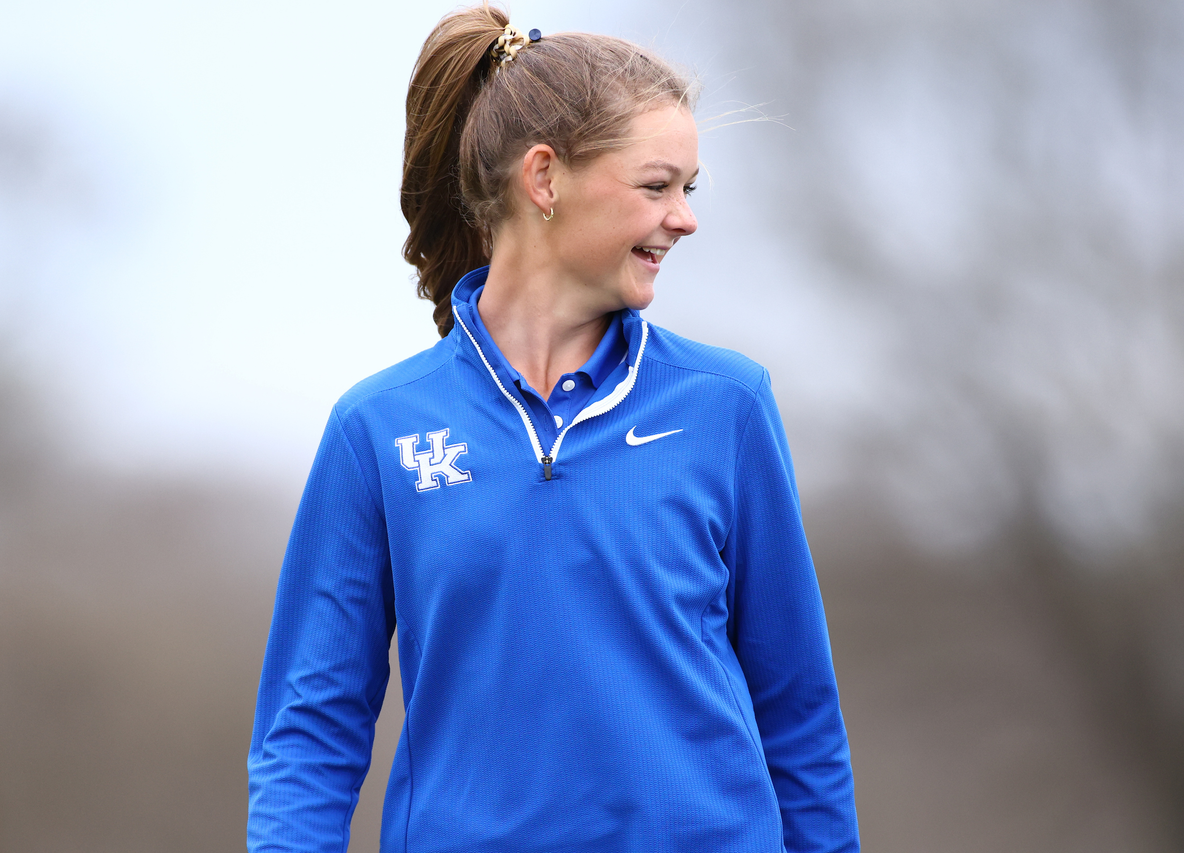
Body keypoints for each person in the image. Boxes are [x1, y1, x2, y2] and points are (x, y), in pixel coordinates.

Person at [247, 5, 859, 852]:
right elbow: (310, 730)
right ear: (544, 178)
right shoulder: (378, 429)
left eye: (688, 189)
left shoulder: (728, 405)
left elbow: (800, 712)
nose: (684, 217)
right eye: (657, 186)